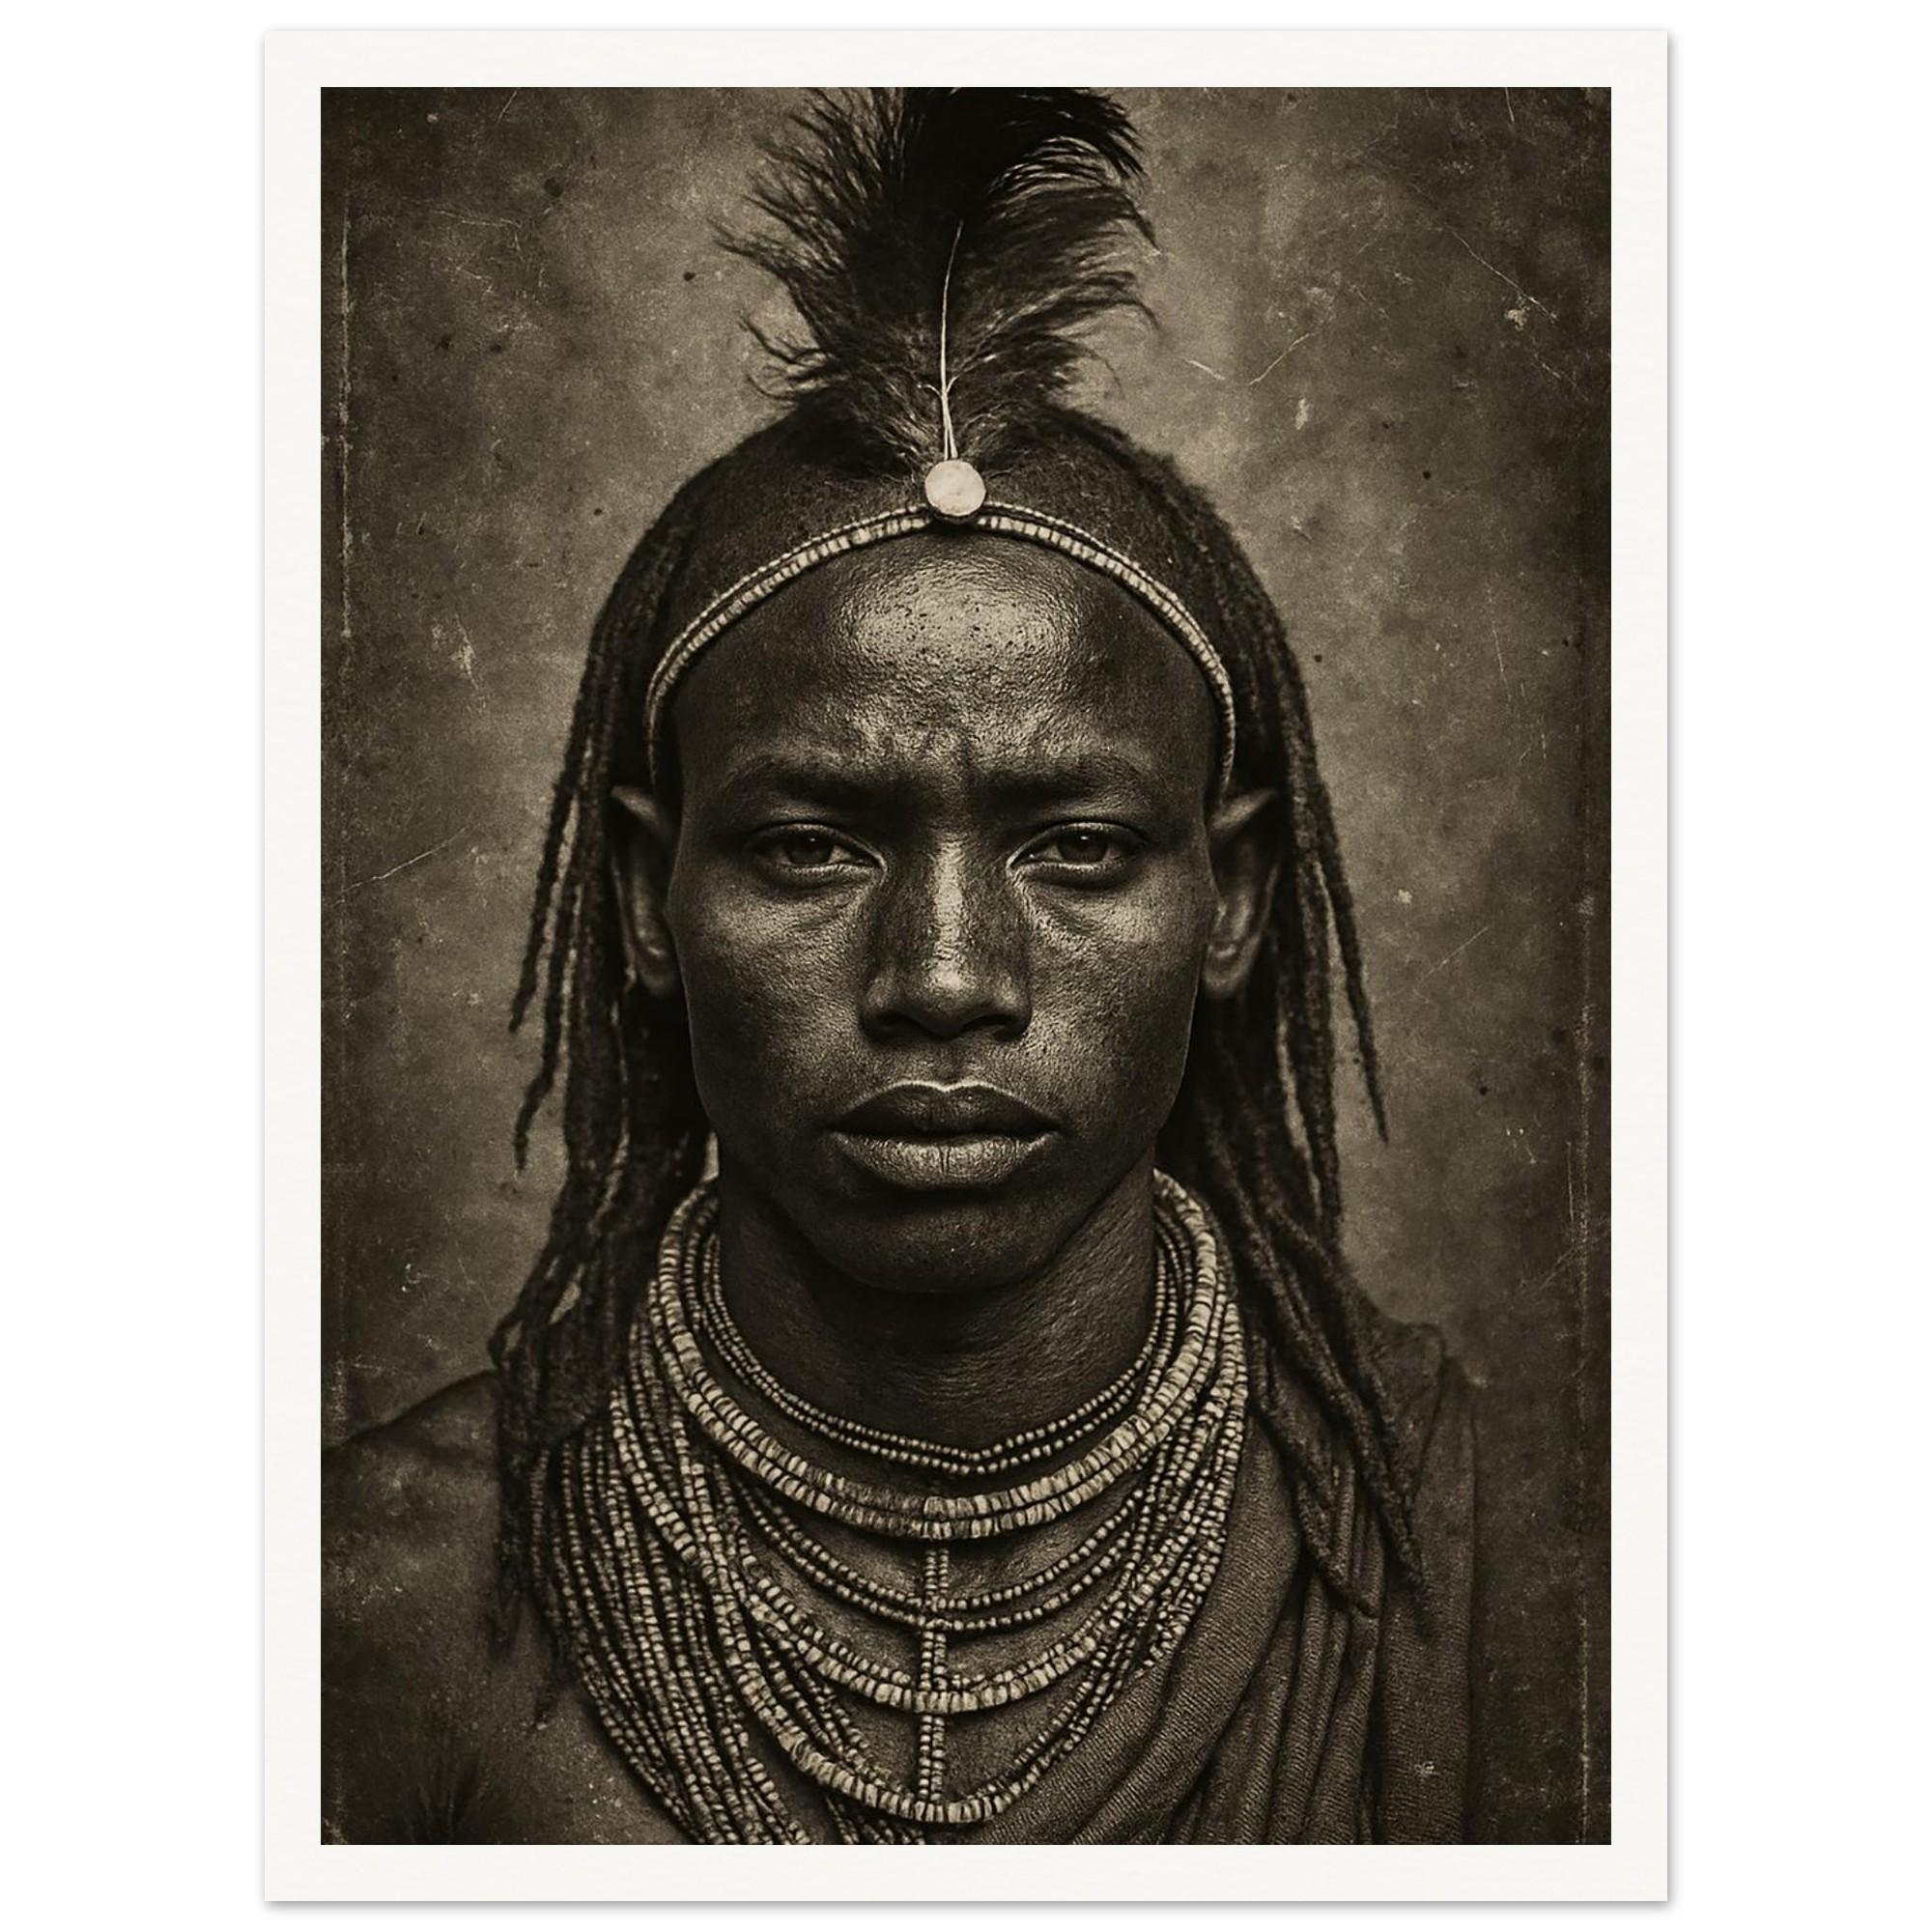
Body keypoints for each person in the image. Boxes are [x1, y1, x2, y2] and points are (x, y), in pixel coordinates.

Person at [324, 85, 1476, 1846]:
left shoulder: (1528, 1552)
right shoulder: (368, 1602)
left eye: (1076, 848)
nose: (943, 978)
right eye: (812, 848)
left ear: (1232, 898)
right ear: (646, 896)